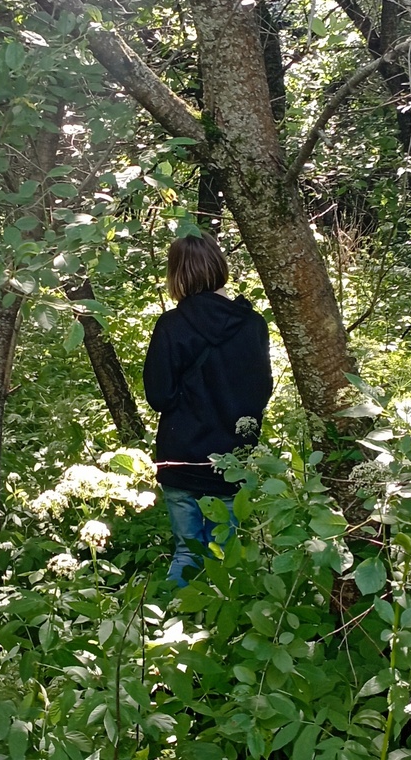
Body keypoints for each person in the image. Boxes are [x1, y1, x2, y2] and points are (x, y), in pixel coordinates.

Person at [143, 231, 272, 586]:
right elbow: (261, 391)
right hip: (232, 459)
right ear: (219, 266)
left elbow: (159, 396)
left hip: (180, 456)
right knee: (225, 551)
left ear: (177, 275)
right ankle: (223, 629)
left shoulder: (171, 326)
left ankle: (171, 625)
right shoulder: (253, 325)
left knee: (186, 552)